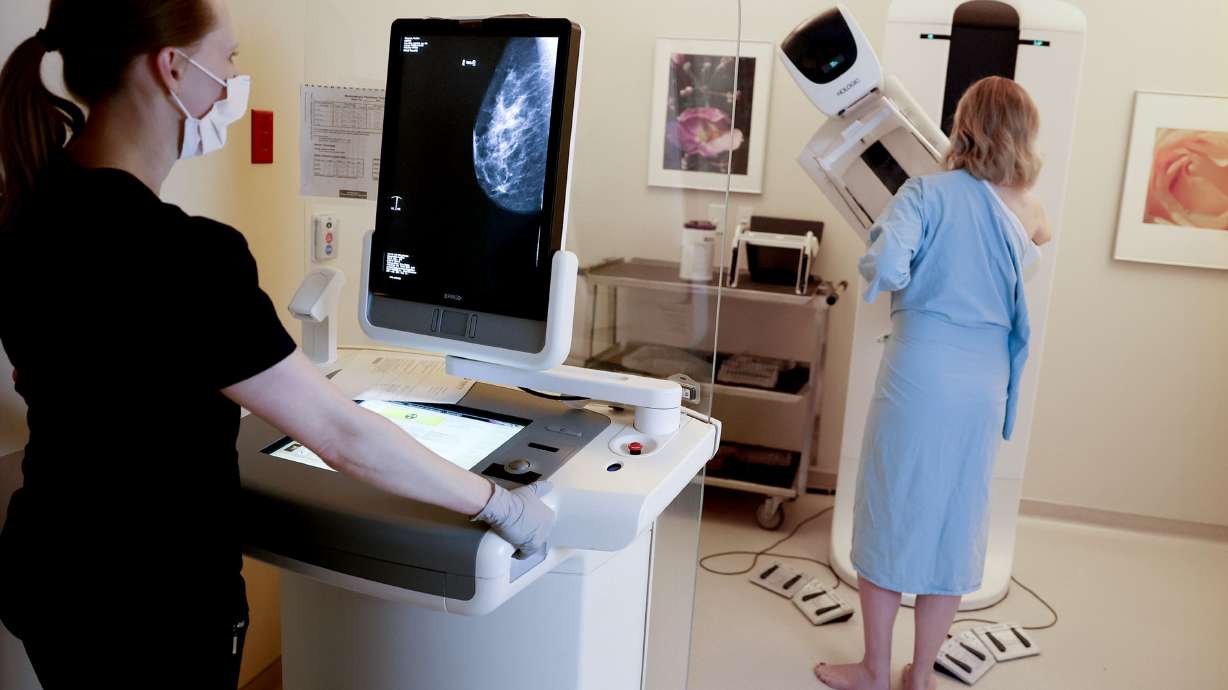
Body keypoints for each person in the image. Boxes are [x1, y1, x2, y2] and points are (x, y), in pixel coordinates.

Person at [0, 1, 554, 687]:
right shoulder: (184, 256)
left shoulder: (29, 202)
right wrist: (501, 504)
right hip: (149, 607)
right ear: (171, 68)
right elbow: (340, 435)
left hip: (48, 569)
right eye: (228, 58)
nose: (234, 79)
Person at [814, 76, 1051, 690]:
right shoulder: (1030, 209)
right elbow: (1029, 246)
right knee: (954, 516)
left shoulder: (924, 193)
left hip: (921, 373)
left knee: (893, 510)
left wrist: (880, 248)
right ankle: (919, 675)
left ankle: (872, 668)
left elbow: (890, 266)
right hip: (982, 380)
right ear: (1024, 135)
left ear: (964, 126)